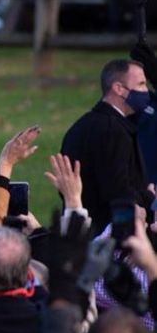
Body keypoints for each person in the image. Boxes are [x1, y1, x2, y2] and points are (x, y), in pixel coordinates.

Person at [61, 59, 155, 235]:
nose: (146, 91)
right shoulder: (114, 131)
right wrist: (149, 198)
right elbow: (118, 190)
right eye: (141, 84)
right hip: (110, 235)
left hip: (79, 230)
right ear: (119, 89)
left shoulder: (80, 126)